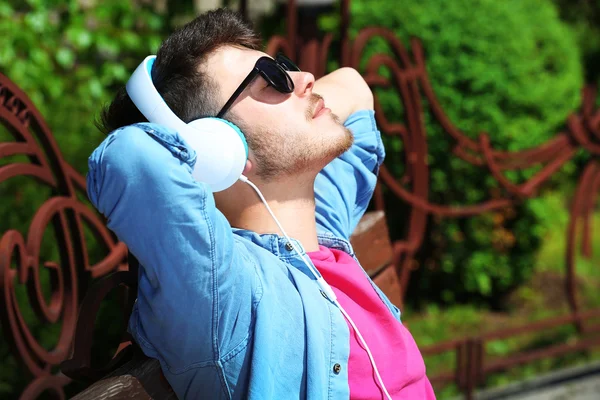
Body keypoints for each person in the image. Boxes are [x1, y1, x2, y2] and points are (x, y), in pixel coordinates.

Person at [88, 8, 436, 400]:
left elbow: (353, 87)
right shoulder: (227, 293)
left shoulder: (324, 223)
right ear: (217, 144)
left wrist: (282, 97)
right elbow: (129, 157)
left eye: (284, 67)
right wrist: (209, 151)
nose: (305, 79)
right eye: (272, 79)